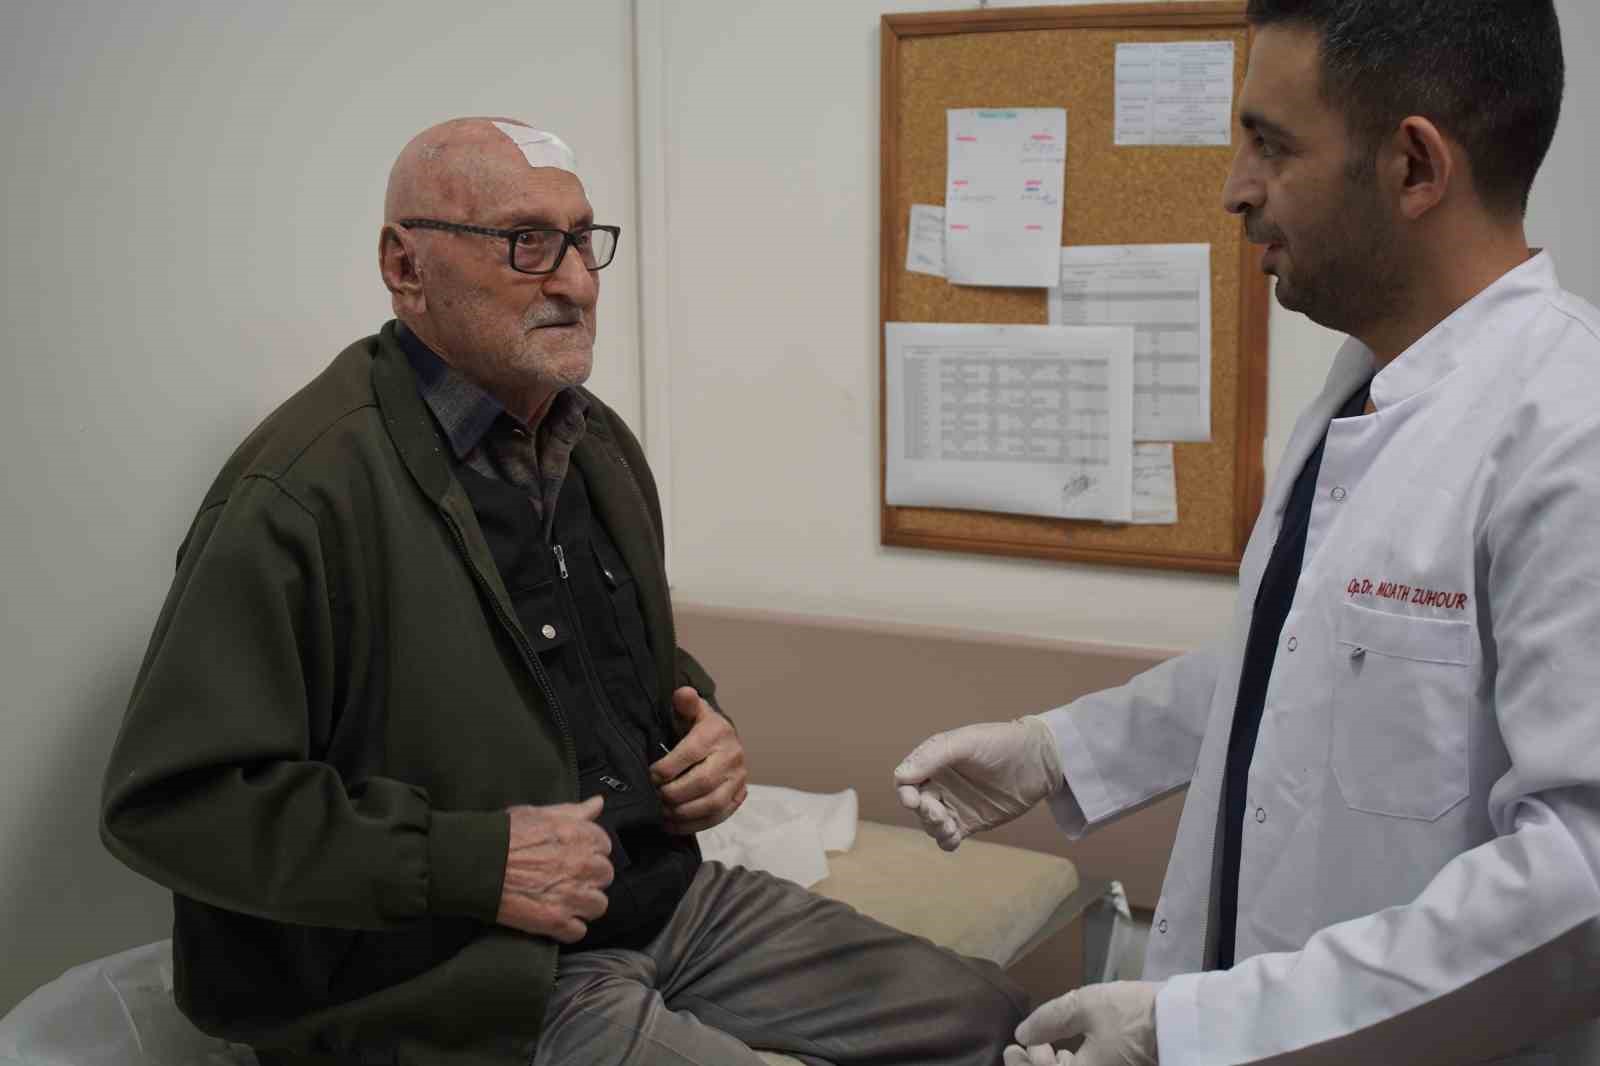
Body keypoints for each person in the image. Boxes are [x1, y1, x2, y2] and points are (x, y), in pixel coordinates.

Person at [100, 116, 1026, 1066]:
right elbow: (174, 807)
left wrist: (700, 724)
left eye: (583, 240)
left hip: (658, 903)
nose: (577, 282)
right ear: (405, 267)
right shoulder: (301, 495)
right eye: (526, 242)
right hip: (461, 976)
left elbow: (590, 662)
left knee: (995, 1020)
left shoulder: (593, 444)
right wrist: (474, 862)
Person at [895, 2, 1600, 1063]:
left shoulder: (1570, 430)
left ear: (1414, 167)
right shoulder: (1364, 387)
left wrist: (1185, 1028)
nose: (1234, 187)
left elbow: (1579, 884)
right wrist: (1057, 751)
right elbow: (1316, 667)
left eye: (1270, 144)